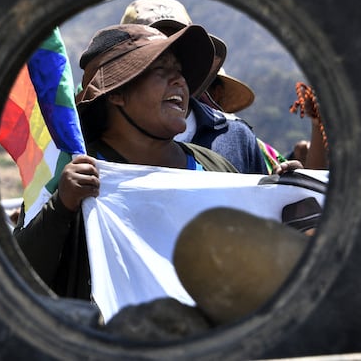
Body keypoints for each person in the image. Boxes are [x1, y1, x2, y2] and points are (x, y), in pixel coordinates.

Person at [14, 23, 238, 300]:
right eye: (161, 69)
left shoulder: (215, 167)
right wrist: (62, 206)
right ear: (117, 92)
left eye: (179, 72)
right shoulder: (72, 176)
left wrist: (290, 191)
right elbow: (16, 280)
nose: (180, 81)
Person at [120, 0, 296, 174]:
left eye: (180, 50)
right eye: (157, 58)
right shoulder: (97, 141)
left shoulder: (236, 137)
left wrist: (287, 192)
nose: (172, 64)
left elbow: (260, 199)